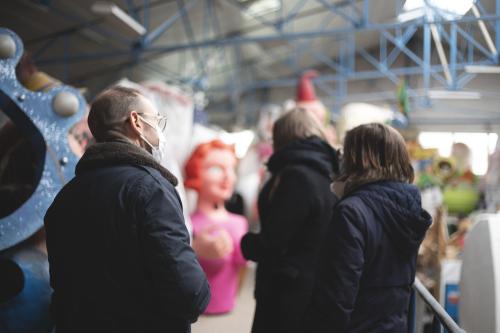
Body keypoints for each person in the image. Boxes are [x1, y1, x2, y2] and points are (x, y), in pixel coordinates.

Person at [44, 86, 210, 333]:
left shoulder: (65, 197)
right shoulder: (151, 189)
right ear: (136, 121)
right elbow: (188, 291)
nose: (158, 129)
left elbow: (63, 285)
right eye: (156, 120)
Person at [303, 123, 432, 332]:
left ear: (363, 159)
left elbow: (337, 296)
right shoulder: (409, 208)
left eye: (346, 152)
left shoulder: (352, 211)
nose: (342, 159)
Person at [240, 108, 340, 333]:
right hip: (310, 285)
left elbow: (275, 241)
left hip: (286, 291)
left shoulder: (296, 177)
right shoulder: (326, 172)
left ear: (282, 137)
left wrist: (246, 243)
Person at [184, 140, 248, 314]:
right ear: (196, 172)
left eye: (231, 169)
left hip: (227, 310)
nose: (228, 177)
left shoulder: (239, 222)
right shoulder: (187, 225)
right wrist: (194, 249)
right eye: (216, 169)